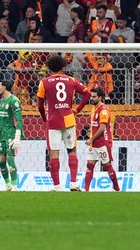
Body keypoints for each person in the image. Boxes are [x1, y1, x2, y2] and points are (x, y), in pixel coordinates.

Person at [37, 55, 91, 191]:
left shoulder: (44, 82)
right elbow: (87, 94)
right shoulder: (71, 80)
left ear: (49, 68)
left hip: (53, 121)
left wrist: (44, 118)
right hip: (68, 120)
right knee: (72, 151)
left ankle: (57, 186)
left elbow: (39, 105)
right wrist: (77, 109)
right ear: (63, 68)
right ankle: (73, 183)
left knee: (53, 154)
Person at [83, 88, 120, 192]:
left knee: (107, 166)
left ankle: (117, 188)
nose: (91, 98)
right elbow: (95, 124)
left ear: (100, 97)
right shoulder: (93, 108)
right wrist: (90, 131)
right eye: (91, 96)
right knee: (89, 165)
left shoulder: (103, 110)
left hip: (103, 142)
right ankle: (86, 190)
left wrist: (91, 139)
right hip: (94, 143)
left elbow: (102, 128)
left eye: (94, 97)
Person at [0, 81, 23, 192]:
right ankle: (8, 184)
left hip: (11, 134)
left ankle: (15, 185)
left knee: (10, 160)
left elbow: (19, 120)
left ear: (5, 87)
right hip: (3, 134)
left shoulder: (14, 100)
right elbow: (1, 118)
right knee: (1, 161)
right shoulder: (1, 101)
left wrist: (17, 136)